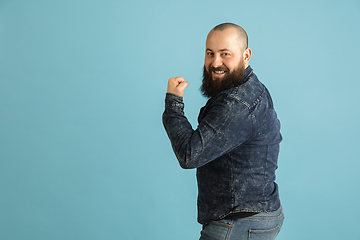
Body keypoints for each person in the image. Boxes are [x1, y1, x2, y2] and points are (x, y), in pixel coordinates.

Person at [162, 23, 284, 240]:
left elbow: (190, 155)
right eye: (210, 53)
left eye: (225, 54)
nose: (215, 63)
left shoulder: (237, 103)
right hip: (256, 215)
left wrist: (173, 102)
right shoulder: (250, 88)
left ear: (246, 55)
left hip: (238, 222)